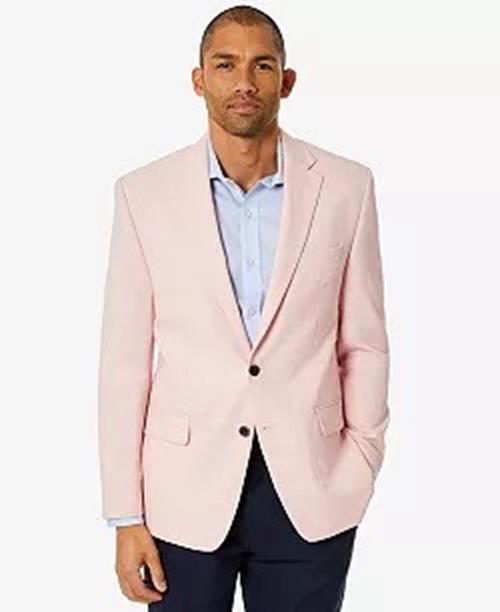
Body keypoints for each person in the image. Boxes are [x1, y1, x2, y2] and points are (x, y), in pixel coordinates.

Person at [97, 4, 390, 610]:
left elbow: (363, 340)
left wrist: (361, 457)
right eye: (226, 65)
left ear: (287, 80)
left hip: (311, 490)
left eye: (262, 65)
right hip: (182, 494)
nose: (244, 82)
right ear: (199, 79)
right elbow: (124, 362)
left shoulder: (347, 187)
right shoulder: (143, 194)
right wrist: (125, 514)